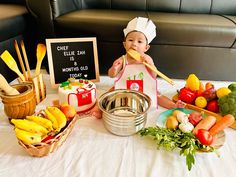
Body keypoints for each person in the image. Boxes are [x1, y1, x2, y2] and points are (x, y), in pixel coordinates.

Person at [92, 17, 184, 118]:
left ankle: (173, 105)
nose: (134, 44)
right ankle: (98, 109)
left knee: (158, 95)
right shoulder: (123, 59)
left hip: (144, 88)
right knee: (108, 94)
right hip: (124, 88)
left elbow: (154, 75)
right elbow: (111, 75)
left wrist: (150, 65)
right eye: (130, 40)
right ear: (124, 45)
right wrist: (114, 68)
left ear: (146, 47)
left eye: (139, 42)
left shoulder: (147, 58)